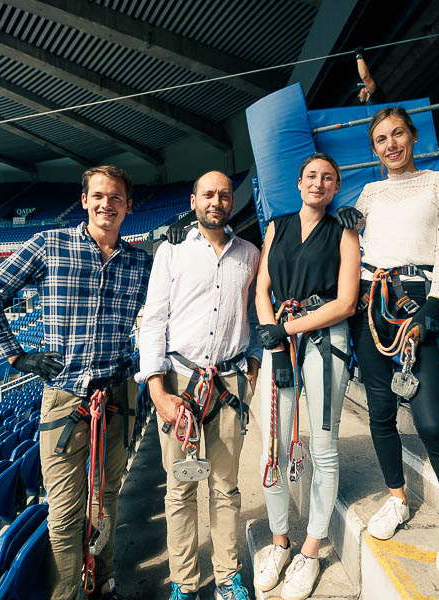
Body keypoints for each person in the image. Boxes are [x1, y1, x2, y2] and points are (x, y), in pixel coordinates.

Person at [0, 165, 152, 600]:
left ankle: (103, 581)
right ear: (85, 200)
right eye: (99, 196)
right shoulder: (50, 244)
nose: (107, 204)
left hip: (118, 392)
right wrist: (17, 355)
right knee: (67, 510)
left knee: (106, 497)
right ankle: (66, 593)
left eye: (116, 197)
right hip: (66, 397)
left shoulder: (140, 262)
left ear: (129, 206)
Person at [335, 106, 439, 578]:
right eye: (380, 140)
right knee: (380, 413)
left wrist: (436, 303)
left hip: (419, 301)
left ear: (413, 136)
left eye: (397, 134)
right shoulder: (371, 191)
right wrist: (347, 222)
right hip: (371, 301)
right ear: (374, 150)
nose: (390, 144)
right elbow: (352, 241)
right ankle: (397, 498)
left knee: (433, 421)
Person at [138, 170, 261, 600]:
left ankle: (228, 577)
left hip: (227, 383)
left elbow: (259, 315)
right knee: (180, 487)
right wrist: (157, 389)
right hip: (180, 382)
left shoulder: (250, 254)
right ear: (193, 201)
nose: (217, 201)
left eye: (224, 195)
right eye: (208, 194)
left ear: (232, 203)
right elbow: (152, 322)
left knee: (225, 487)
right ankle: (184, 583)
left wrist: (256, 362)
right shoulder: (169, 255)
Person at [252, 153, 359, 600]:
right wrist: (274, 343)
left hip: (322, 339)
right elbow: (262, 290)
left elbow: (347, 302)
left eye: (327, 178)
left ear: (335, 188)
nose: (318, 183)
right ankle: (280, 542)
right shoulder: (276, 226)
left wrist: (289, 329)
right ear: (299, 184)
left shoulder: (345, 231)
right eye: (311, 176)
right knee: (271, 446)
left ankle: (311, 551)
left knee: (322, 447)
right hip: (280, 337)